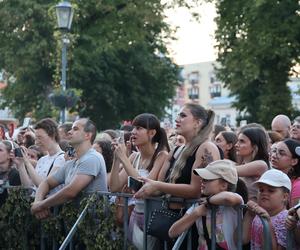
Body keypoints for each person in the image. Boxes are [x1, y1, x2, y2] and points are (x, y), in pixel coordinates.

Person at [135, 103, 220, 249]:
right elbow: (161, 185)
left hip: (196, 224)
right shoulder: (176, 150)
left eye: (183, 115)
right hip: (170, 220)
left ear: (197, 123)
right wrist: (145, 187)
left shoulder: (206, 148)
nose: (177, 119)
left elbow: (196, 189)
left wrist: (156, 185)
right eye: (178, 115)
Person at [109, 113, 169, 243]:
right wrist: (116, 159)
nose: (133, 132)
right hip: (135, 215)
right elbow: (114, 187)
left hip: (153, 218)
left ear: (152, 133)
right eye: (133, 128)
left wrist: (124, 158)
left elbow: (144, 187)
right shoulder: (134, 157)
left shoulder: (162, 155)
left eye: (139, 128)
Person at [31, 118, 107, 219]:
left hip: (92, 226)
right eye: (71, 129)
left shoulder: (92, 158)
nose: (70, 132)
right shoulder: (71, 163)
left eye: (75, 129)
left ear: (88, 135)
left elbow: (71, 191)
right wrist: (37, 202)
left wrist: (41, 205)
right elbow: (46, 183)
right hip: (75, 222)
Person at [169, 160, 243, 250]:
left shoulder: (233, 204)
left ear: (224, 185)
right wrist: (196, 213)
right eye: (202, 178)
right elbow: (172, 232)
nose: (202, 181)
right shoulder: (199, 205)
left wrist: (209, 201)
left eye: (207, 179)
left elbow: (227, 198)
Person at [242, 169, 291, 250]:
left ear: (285, 197)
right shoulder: (257, 214)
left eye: (271, 190)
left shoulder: (285, 219)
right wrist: (249, 214)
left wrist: (267, 222)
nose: (264, 193)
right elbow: (243, 239)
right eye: (261, 190)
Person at [16, 118, 65, 189]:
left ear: (52, 135)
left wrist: (27, 162)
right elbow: (29, 189)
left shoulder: (62, 159)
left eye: (40, 138)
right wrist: (21, 165)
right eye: (36, 138)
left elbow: (43, 186)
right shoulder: (42, 160)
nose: (36, 142)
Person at [235, 127, 269, 201]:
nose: (236, 145)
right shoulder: (241, 164)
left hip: (252, 211)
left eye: (242, 141)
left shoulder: (261, 165)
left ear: (254, 146)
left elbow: (229, 171)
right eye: (237, 141)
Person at [270, 138, 300, 206]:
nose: (274, 156)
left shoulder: (297, 186)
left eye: (281, 153)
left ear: (294, 161)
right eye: (274, 151)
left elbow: (294, 215)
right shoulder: (269, 176)